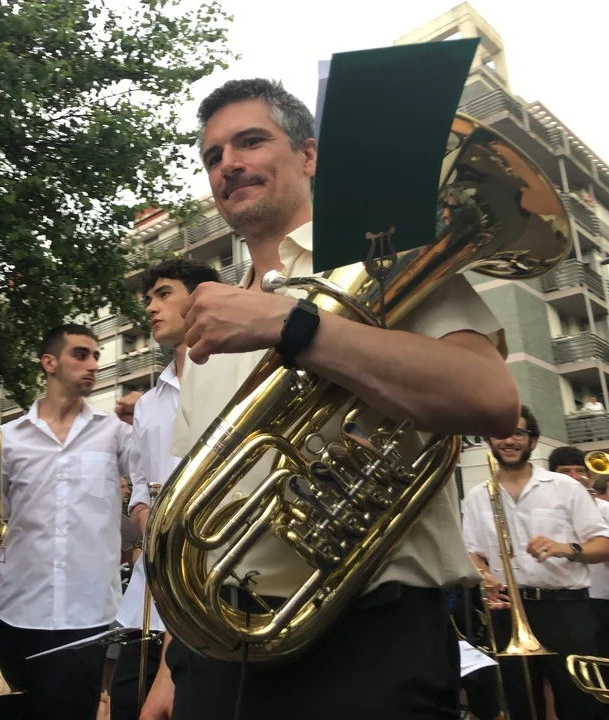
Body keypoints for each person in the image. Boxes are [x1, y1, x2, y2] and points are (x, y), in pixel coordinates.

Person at [140, 78, 519, 720]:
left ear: (309, 155)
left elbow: (489, 397)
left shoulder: (383, 259)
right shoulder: (209, 319)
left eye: (251, 141)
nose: (229, 163)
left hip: (370, 640)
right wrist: (173, 671)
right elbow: (198, 515)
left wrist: (295, 326)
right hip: (218, 647)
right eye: (213, 156)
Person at [0, 324, 132, 720]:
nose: (93, 365)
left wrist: (147, 416)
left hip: (87, 614)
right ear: (49, 363)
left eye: (96, 356)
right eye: (81, 355)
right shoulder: (4, 439)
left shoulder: (116, 434)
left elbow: (156, 473)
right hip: (12, 610)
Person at [107, 259, 219, 720]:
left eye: (164, 294)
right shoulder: (148, 405)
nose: (151, 307)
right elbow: (138, 490)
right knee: (126, 704)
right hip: (149, 600)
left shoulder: (235, 379)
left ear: (200, 298)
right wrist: (144, 519)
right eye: (148, 299)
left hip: (212, 594)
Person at [463, 409, 609, 719]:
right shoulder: (478, 495)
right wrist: (483, 575)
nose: (509, 440)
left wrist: (566, 548)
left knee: (581, 702)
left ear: (533, 440)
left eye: (518, 433)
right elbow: (473, 552)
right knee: (520, 703)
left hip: (566, 609)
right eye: (501, 433)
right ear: (489, 440)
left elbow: (604, 544)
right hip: (508, 610)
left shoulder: (565, 486)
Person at [548, 445, 609, 659]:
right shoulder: (548, 508)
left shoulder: (605, 508)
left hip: (603, 596)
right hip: (566, 598)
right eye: (565, 471)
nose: (574, 477)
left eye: (580, 470)